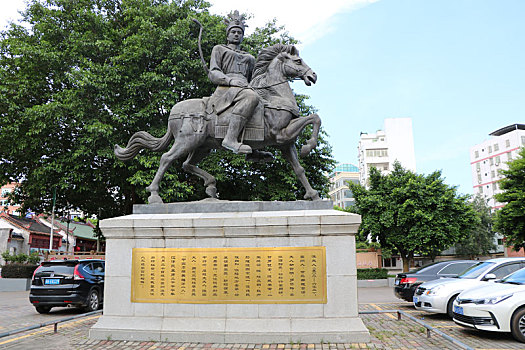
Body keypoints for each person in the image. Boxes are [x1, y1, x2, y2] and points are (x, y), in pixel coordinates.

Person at [207, 11, 258, 154]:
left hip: (245, 88)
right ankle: (230, 139)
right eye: (233, 32)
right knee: (251, 97)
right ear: (228, 35)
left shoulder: (250, 57)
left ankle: (256, 148)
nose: (236, 34)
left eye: (239, 33)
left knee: (263, 104)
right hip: (226, 89)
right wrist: (230, 80)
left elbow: (252, 79)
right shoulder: (219, 49)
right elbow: (214, 72)